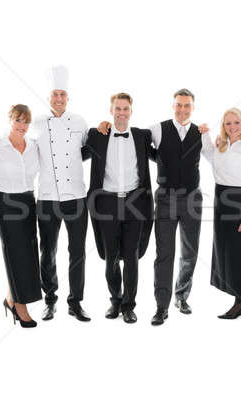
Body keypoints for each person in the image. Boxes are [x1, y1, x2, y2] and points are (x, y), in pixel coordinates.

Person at [98, 88, 211, 325]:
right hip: (166, 199)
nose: (182, 109)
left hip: (192, 200)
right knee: (164, 254)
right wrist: (105, 125)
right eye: (178, 105)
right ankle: (162, 306)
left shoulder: (202, 133)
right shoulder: (156, 130)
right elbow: (134, 141)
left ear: (193, 107)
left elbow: (218, 158)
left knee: (190, 252)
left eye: (187, 105)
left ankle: (182, 296)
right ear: (173, 106)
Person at [86, 93, 154, 324]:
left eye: (125, 109)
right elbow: (76, 155)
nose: (122, 113)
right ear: (111, 110)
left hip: (136, 201)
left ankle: (129, 305)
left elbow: (163, 156)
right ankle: (115, 300)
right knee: (111, 256)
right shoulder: (98, 135)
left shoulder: (143, 136)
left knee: (132, 255)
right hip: (106, 201)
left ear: (131, 111)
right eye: (118, 108)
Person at [31, 65, 91, 322]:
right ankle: (50, 299)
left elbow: (88, 150)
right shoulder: (36, 123)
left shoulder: (80, 121)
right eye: (55, 94)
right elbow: (24, 152)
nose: (58, 98)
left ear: (68, 97)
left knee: (77, 251)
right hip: (46, 197)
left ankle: (75, 301)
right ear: (49, 97)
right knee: (48, 251)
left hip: (76, 195)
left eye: (62, 95)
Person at [202, 108, 241, 319]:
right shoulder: (223, 145)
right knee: (225, 250)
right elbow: (209, 155)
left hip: (240, 201)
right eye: (228, 123)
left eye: (236, 123)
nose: (232, 127)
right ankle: (239, 296)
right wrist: (204, 134)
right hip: (221, 199)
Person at [0, 104, 42, 328]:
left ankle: (10, 297)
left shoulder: (33, 146)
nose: (22, 126)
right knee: (14, 251)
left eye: (26, 121)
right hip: (7, 201)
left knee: (28, 252)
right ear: (9, 120)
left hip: (29, 200)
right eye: (18, 120)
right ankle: (20, 306)